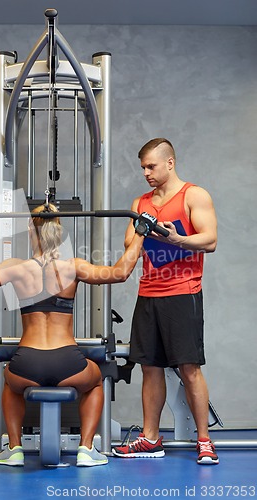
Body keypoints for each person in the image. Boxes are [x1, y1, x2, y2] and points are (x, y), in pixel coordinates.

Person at [0, 203, 157, 467]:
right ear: (59, 233)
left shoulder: (16, 267)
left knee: (10, 383)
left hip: (27, 362)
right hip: (68, 362)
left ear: (31, 231)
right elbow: (119, 273)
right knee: (96, 380)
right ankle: (86, 449)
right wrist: (140, 232)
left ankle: (14, 448)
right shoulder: (74, 267)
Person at [112, 138, 219, 465]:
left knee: (189, 369)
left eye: (151, 166)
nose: (146, 173)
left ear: (170, 163)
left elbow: (210, 239)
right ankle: (150, 438)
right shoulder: (140, 202)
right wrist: (148, 229)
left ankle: (204, 441)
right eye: (143, 167)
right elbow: (131, 242)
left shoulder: (193, 195)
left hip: (183, 292)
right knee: (150, 368)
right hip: (148, 294)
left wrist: (175, 237)